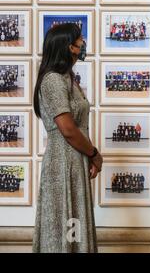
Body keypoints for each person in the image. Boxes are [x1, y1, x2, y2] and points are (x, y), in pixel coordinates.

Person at [32, 23, 102, 253]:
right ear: (68, 46)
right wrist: (94, 153)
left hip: (75, 161)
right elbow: (68, 129)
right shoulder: (53, 80)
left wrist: (88, 156)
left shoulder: (68, 79)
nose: (83, 44)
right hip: (62, 162)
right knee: (63, 225)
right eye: (80, 39)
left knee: (75, 225)